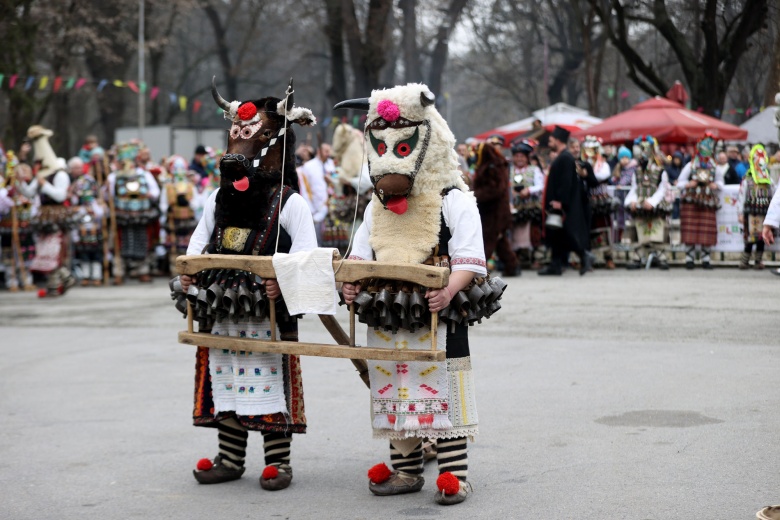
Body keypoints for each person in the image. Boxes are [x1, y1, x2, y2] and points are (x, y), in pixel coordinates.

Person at [336, 83, 490, 505]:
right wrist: (351, 283)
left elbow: (471, 258)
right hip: (388, 309)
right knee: (391, 384)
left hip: (440, 309)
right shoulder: (373, 208)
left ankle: (454, 473)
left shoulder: (453, 198)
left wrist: (450, 289)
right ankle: (405, 470)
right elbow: (360, 255)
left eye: (401, 149)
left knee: (447, 386)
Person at [182, 80, 317, 490]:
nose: (237, 148)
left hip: (268, 311)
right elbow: (197, 241)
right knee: (225, 375)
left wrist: (286, 284)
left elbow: (309, 257)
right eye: (235, 137)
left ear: (271, 143)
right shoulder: (216, 199)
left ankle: (279, 463)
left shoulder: (290, 201)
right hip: (223, 306)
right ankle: (230, 457)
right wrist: (189, 271)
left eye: (249, 136)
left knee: (270, 377)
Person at [16, 126, 76, 294]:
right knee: (44, 252)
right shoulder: (41, 175)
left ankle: (58, 283)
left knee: (54, 251)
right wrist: (21, 182)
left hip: (57, 216)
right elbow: (28, 192)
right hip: (44, 216)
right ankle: (62, 280)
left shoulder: (60, 175)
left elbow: (60, 196)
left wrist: (45, 185)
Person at [539, 125, 596, 276]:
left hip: (562, 204)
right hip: (559, 203)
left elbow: (566, 182)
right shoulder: (563, 157)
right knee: (558, 234)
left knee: (566, 234)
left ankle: (584, 255)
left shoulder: (565, 158)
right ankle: (556, 265)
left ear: (558, 140)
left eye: (551, 140)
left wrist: (560, 202)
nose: (549, 142)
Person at [107, 143, 160, 283]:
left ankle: (143, 271)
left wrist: (149, 194)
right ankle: (119, 272)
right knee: (120, 242)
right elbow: (108, 196)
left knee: (142, 241)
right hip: (122, 216)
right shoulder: (114, 177)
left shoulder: (144, 174)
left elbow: (156, 192)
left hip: (141, 215)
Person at [624, 136, 672, 270]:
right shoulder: (636, 171)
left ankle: (661, 256)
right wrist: (632, 201)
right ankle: (638, 256)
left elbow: (663, 189)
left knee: (658, 228)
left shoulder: (660, 170)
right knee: (639, 228)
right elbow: (634, 188)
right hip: (640, 204)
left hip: (655, 206)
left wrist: (652, 202)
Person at [472, 142, 519, 276]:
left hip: (495, 212)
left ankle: (478, 269)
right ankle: (512, 265)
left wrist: (475, 195)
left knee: (487, 240)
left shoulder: (494, 167)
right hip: (492, 211)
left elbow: (495, 189)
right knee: (500, 242)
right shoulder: (491, 165)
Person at [677, 134, 723, 269]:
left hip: (708, 200)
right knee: (690, 231)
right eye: (704, 146)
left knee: (706, 232)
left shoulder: (715, 166)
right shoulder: (690, 165)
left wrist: (716, 185)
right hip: (691, 200)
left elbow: (721, 182)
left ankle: (706, 259)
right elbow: (679, 182)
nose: (706, 149)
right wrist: (689, 184)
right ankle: (689, 259)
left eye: (709, 146)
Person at [68, 156, 105, 285]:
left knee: (95, 250)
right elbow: (71, 202)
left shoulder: (90, 181)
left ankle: (96, 276)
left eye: (79, 167)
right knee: (83, 250)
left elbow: (99, 201)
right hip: (80, 221)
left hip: (93, 222)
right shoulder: (71, 183)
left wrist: (95, 207)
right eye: (75, 168)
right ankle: (85, 276)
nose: (78, 170)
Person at [737, 144, 774, 269]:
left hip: (764, 211)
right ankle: (744, 261)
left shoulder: (769, 180)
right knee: (750, 237)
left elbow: (774, 195)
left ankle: (758, 261)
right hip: (751, 211)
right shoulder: (748, 179)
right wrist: (740, 213)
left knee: (761, 237)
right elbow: (741, 196)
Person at [510, 140, 545, 269]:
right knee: (516, 234)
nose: (519, 159)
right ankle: (519, 258)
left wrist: (529, 190)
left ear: (526, 158)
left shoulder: (534, 170)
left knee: (534, 233)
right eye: (517, 156)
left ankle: (538, 258)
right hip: (516, 208)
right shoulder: (510, 171)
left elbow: (541, 186)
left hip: (531, 207)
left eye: (522, 156)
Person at [581, 136, 615, 269]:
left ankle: (608, 257)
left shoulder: (603, 164)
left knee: (604, 226)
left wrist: (587, 174)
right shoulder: (583, 164)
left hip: (600, 200)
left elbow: (602, 176)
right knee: (589, 228)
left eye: (592, 150)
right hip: (588, 199)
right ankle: (589, 257)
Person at [299, 143, 333, 244]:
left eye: (329, 151)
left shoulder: (330, 164)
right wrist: (310, 208)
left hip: (330, 207)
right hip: (314, 209)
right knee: (315, 240)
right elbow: (305, 189)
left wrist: (331, 181)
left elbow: (336, 182)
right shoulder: (308, 166)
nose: (328, 154)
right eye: (326, 151)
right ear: (319, 152)